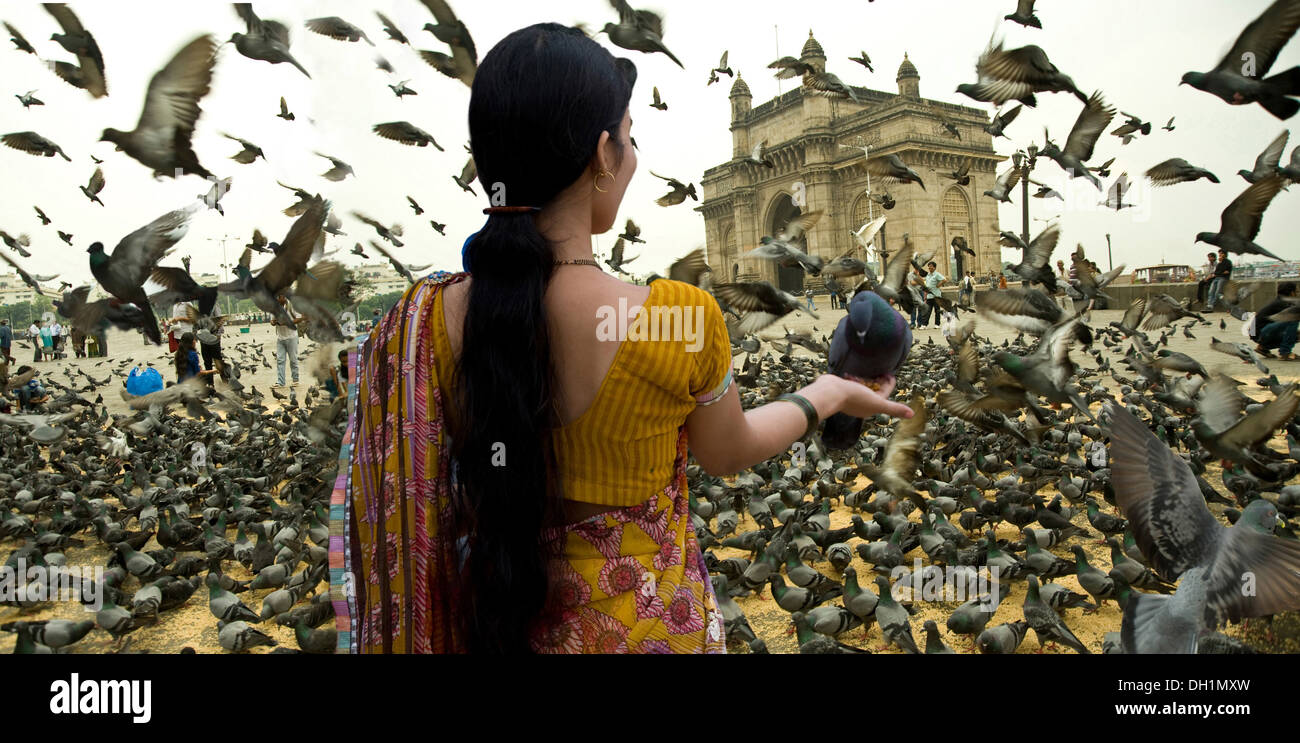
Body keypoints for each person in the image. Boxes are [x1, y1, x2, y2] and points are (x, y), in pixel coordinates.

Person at [333, 23, 913, 655]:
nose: (633, 157)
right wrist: (825, 394)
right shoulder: (677, 320)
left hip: (484, 629)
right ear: (604, 156)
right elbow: (727, 451)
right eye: (631, 139)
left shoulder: (417, 324)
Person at [1253, 282, 1299, 361]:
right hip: (1261, 333)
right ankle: (1285, 353)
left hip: (1260, 334)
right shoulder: (1283, 303)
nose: (1298, 294)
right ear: (1292, 293)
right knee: (1293, 318)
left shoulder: (1279, 301)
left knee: (1297, 334)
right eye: (1297, 291)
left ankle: (1263, 347)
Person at [274, 295, 304, 387]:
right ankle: (281, 382)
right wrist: (273, 322)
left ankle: (295, 380)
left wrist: (286, 323)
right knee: (280, 360)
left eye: (279, 297)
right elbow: (272, 320)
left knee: (293, 360)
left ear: (284, 297)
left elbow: (300, 318)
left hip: (292, 337)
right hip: (280, 338)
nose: (277, 299)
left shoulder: (292, 305)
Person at [923, 260, 946, 328]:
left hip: (936, 295)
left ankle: (937, 324)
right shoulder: (928, 275)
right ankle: (925, 324)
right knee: (927, 311)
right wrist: (925, 295)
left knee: (937, 310)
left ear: (935, 268)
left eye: (931, 267)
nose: (930, 269)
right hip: (929, 296)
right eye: (929, 267)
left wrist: (938, 285)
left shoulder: (937, 274)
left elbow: (944, 280)